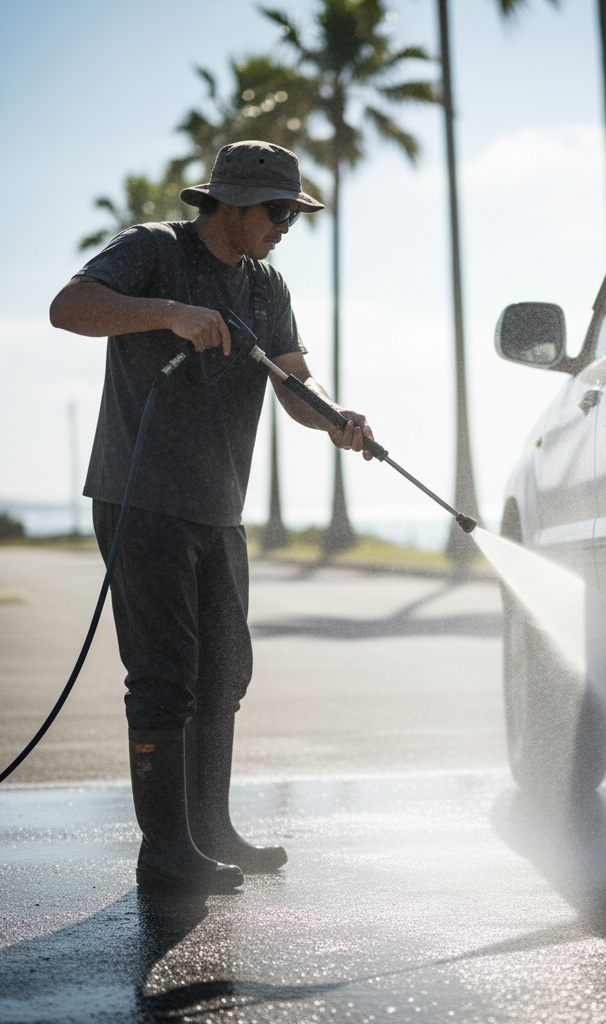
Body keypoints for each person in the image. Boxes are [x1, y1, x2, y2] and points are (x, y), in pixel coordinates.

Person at [49, 140, 373, 893]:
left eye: (293, 214)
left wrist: (333, 417)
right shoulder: (153, 250)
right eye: (278, 211)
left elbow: (293, 378)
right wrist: (170, 314)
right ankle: (166, 853)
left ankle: (212, 831)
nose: (286, 226)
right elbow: (68, 308)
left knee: (224, 671)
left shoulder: (266, 285)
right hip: (141, 497)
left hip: (219, 505)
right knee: (164, 677)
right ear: (231, 202)